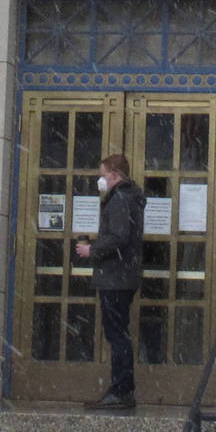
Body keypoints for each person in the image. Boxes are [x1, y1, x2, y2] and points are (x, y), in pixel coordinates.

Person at [73, 152, 143, 410]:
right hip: (121, 276)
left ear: (114, 175)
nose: (100, 181)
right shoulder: (128, 198)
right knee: (118, 333)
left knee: (117, 335)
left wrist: (93, 250)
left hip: (115, 278)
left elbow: (119, 237)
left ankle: (122, 390)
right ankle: (122, 389)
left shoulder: (120, 200)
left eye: (103, 176)